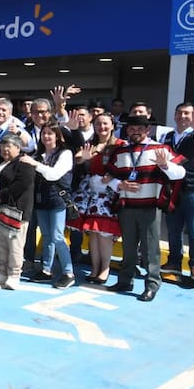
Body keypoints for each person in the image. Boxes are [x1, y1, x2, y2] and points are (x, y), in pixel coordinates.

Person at [105, 115, 185, 302]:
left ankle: (152, 284)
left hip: (150, 207)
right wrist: (120, 185)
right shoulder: (120, 151)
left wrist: (165, 165)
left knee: (150, 248)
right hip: (127, 206)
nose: (135, 132)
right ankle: (125, 280)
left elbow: (180, 173)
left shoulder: (161, 149)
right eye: (131, 129)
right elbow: (107, 178)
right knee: (129, 246)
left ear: (147, 130)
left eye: (139, 128)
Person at [68, 112, 125, 284]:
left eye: (106, 123)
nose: (102, 127)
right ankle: (94, 268)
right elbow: (78, 160)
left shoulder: (121, 145)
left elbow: (125, 167)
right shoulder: (90, 144)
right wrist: (83, 158)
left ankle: (105, 269)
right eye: (99, 124)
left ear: (113, 125)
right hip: (90, 193)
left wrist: (111, 176)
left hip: (109, 194)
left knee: (104, 233)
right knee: (92, 233)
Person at [20, 121, 76, 289]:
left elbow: (54, 175)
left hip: (58, 199)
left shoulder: (65, 154)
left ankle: (69, 272)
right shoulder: (39, 154)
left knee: (58, 236)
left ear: (58, 136)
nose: (46, 136)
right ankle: (46, 269)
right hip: (41, 199)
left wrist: (35, 164)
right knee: (46, 235)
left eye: (50, 133)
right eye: (44, 133)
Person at [0, 133, 36, 290]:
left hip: (17, 211)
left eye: (8, 146)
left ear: (17, 147)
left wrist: (1, 195)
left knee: (15, 245)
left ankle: (14, 275)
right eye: (2, 147)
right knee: (2, 244)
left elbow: (23, 184)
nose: (4, 150)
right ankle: (1, 272)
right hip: (0, 210)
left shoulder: (24, 163)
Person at [161, 102, 194, 279]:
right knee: (173, 230)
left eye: (187, 114)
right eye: (179, 113)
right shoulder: (167, 136)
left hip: (193, 189)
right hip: (171, 191)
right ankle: (174, 262)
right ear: (174, 115)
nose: (182, 117)